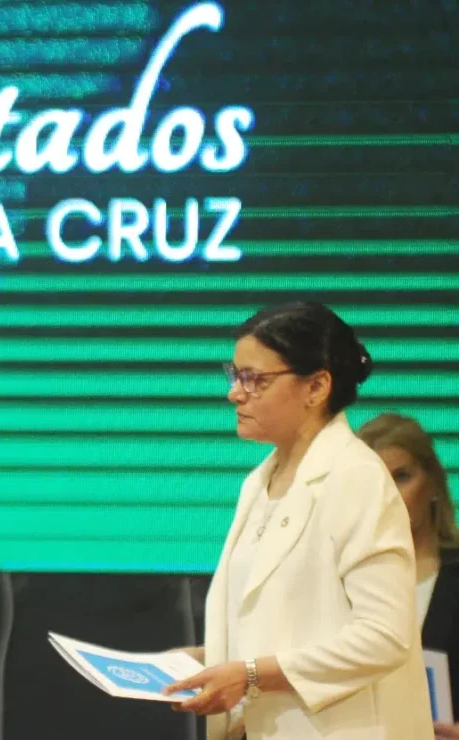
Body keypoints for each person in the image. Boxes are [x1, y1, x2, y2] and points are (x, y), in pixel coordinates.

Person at [163, 302, 434, 739]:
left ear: (317, 386)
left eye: (255, 380)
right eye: (234, 375)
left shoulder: (355, 476)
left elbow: (385, 637)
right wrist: (204, 660)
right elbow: (281, 625)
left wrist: (249, 675)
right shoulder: (258, 482)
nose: (235, 394)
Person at [358, 413, 459, 740]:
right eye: (374, 482)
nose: (388, 495)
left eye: (401, 477)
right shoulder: (341, 581)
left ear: (432, 484)